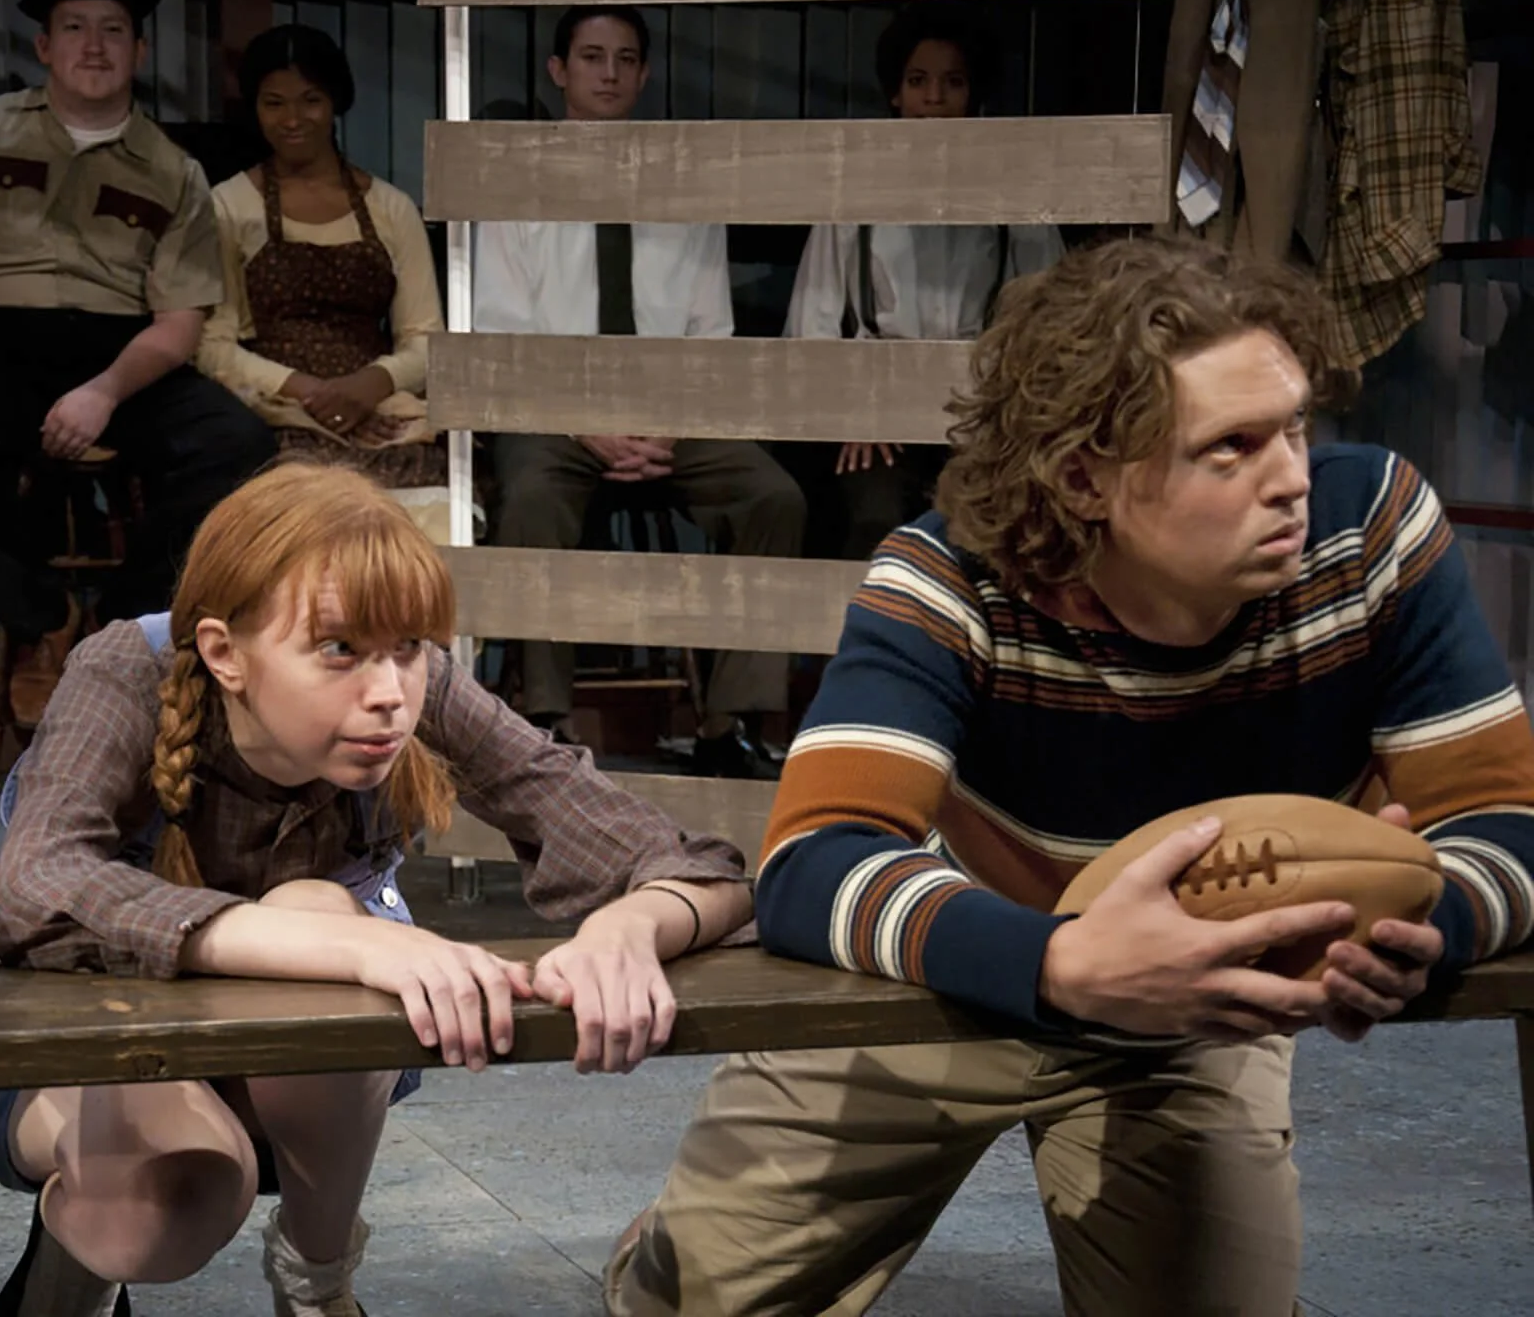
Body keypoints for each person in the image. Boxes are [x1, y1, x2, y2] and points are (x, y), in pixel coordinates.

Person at [605, 237, 1534, 1315]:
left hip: (1186, 1011)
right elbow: (811, 861)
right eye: (1229, 448)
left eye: (1291, 427)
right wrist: (1060, 962)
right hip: (944, 980)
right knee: (687, 1305)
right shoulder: (953, 574)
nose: (1289, 477)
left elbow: (1502, 820)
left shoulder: (1368, 529)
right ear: (1086, 478)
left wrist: (1420, 930)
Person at [0, 462, 755, 1317]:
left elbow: (693, 864)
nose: (388, 694)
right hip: (84, 1058)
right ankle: (71, 1275)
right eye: (337, 649)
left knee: (314, 904)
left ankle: (318, 1284)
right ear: (224, 653)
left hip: (306, 1086)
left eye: (407, 648)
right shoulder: (129, 669)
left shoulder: (407, 686)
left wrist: (627, 930)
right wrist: (351, 943)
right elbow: (38, 883)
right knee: (168, 1191)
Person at [0, 0, 275, 725]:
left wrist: (105, 392)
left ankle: (117, 623)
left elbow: (180, 320)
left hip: (120, 359)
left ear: (139, 51)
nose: (94, 45)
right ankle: (42, 617)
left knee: (238, 445)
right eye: (75, 28)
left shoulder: (173, 169)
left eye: (113, 30)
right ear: (44, 47)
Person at [475, 5, 806, 779]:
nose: (610, 73)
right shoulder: (519, 180)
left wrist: (666, 426)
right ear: (559, 71)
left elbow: (708, 330)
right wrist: (585, 425)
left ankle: (730, 720)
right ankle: (545, 721)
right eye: (592, 57)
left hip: (668, 414)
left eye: (626, 59)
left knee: (772, 496)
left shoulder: (681, 183)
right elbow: (504, 329)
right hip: (556, 413)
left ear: (645, 74)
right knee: (531, 495)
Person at [782, 7, 1065, 560]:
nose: (934, 98)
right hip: (879, 411)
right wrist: (855, 411)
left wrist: (1007, 419)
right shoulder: (856, 193)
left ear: (972, 94)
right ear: (896, 93)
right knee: (874, 517)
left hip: (978, 408)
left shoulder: (1009, 193)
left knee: (993, 525)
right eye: (918, 81)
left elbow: (1050, 316)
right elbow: (810, 325)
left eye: (952, 82)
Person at [199, 24, 450, 524]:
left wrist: (368, 385)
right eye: (274, 103)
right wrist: (311, 393)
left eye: (310, 100)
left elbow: (427, 341)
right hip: (274, 410)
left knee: (430, 520)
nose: (293, 119)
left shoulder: (392, 208)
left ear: (336, 102)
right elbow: (211, 347)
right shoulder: (227, 206)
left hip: (378, 408)